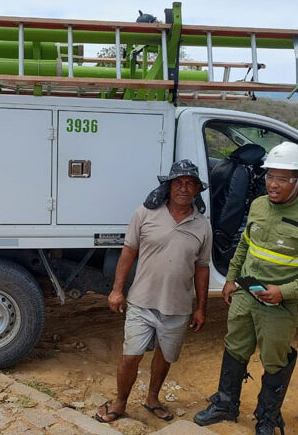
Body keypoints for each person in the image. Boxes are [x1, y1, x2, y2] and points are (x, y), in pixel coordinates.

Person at [194, 142, 298, 435]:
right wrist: (232, 278)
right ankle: (225, 404)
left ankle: (267, 418)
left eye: (283, 179)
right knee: (235, 346)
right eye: (270, 176)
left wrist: (283, 292)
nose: (273, 184)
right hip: (246, 293)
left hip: (281, 304)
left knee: (274, 359)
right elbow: (246, 244)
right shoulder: (259, 205)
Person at [95, 159, 212, 423]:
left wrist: (201, 307)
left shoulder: (202, 225)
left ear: (196, 190)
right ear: (168, 187)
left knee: (165, 356)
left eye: (190, 184)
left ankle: (152, 398)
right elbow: (128, 252)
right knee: (130, 357)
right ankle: (120, 403)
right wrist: (116, 290)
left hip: (178, 307)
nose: (183, 188)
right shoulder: (145, 213)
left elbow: (202, 267)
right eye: (178, 183)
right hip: (141, 302)